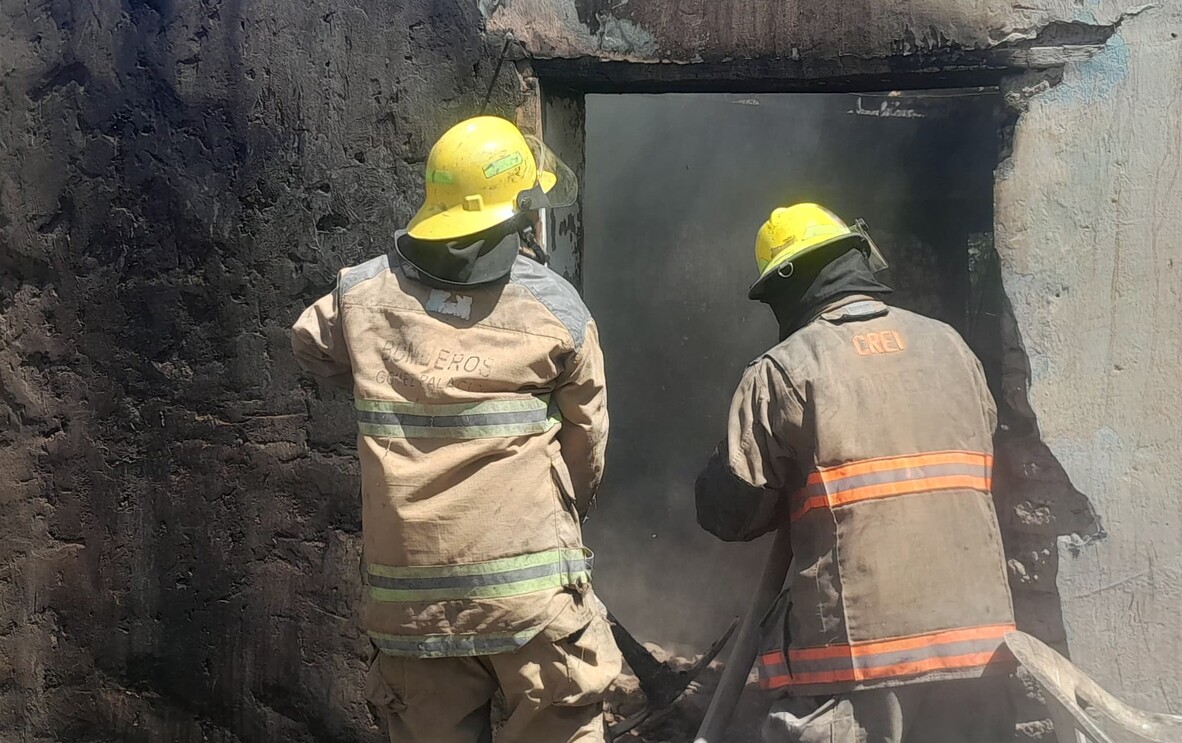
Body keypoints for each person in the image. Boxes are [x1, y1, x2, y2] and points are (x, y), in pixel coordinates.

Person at [291, 116, 620, 743]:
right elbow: (587, 440)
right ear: (523, 208)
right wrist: (568, 518)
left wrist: (378, 382)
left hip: (413, 611)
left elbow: (309, 342)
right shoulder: (556, 308)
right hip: (532, 598)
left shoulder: (358, 296)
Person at [695, 203, 1017, 743]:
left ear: (783, 288)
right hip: (981, 648)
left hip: (858, 662)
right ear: (858, 260)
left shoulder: (785, 370)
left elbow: (730, 512)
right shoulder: (953, 348)